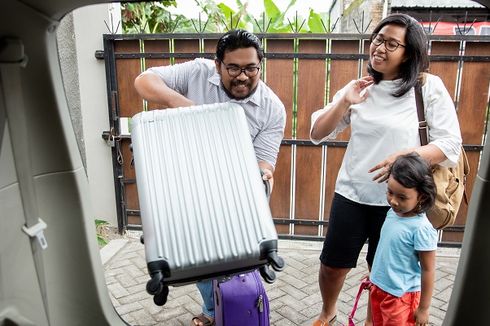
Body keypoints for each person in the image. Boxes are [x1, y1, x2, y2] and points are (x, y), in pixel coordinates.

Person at [309, 13, 461, 326]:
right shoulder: (360, 87)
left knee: (382, 272)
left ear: (409, 54)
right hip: (352, 192)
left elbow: (450, 145)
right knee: (332, 265)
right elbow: (316, 133)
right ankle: (328, 311)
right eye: (379, 39)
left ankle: (371, 321)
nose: (380, 47)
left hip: (401, 205)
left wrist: (408, 154)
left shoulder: (427, 87)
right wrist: (344, 103)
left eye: (392, 44)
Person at [134, 29, 286, 326]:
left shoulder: (272, 109)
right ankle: (212, 308)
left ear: (260, 66)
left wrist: (261, 175)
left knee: (232, 255)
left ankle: (235, 310)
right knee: (195, 254)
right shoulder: (198, 72)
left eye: (251, 68)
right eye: (233, 68)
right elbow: (143, 81)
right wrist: (190, 108)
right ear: (218, 65)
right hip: (184, 182)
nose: (242, 76)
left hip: (232, 191)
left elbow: (265, 164)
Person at [369, 152, 437, 326]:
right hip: (380, 289)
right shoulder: (392, 213)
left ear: (421, 196)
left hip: (401, 297)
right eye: (390, 192)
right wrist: (376, 274)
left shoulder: (421, 228)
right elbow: (386, 249)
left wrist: (424, 308)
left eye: (402, 197)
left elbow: (428, 270)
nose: (393, 201)